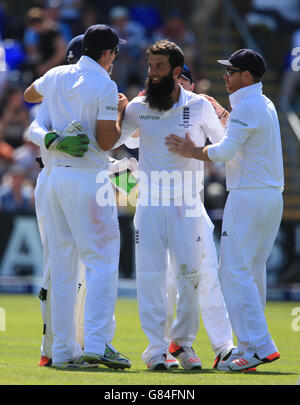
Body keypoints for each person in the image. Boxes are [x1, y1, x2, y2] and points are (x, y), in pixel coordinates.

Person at [166, 48, 284, 371]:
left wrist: (192, 150)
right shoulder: (264, 103)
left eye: (231, 71)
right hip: (270, 197)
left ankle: (260, 344)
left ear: (247, 76)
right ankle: (248, 346)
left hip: (248, 197)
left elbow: (224, 152)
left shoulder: (247, 107)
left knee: (233, 272)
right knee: (252, 272)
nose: (226, 77)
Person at [23, 24, 131, 369]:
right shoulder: (105, 84)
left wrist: (58, 122)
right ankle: (97, 343)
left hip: (52, 179)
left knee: (62, 268)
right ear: (108, 53)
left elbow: (28, 94)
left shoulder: (56, 74)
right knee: (101, 261)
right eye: (114, 53)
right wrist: (119, 113)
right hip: (87, 178)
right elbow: (104, 142)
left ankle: (61, 351)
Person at [120, 40, 233, 371]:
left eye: (158, 67)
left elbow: (224, 144)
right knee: (152, 277)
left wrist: (195, 150)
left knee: (190, 278)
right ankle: (156, 350)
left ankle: (181, 343)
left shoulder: (198, 106)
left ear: (175, 70)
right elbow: (120, 141)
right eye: (150, 66)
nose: (151, 73)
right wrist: (118, 110)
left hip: (188, 205)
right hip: (151, 204)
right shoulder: (138, 108)